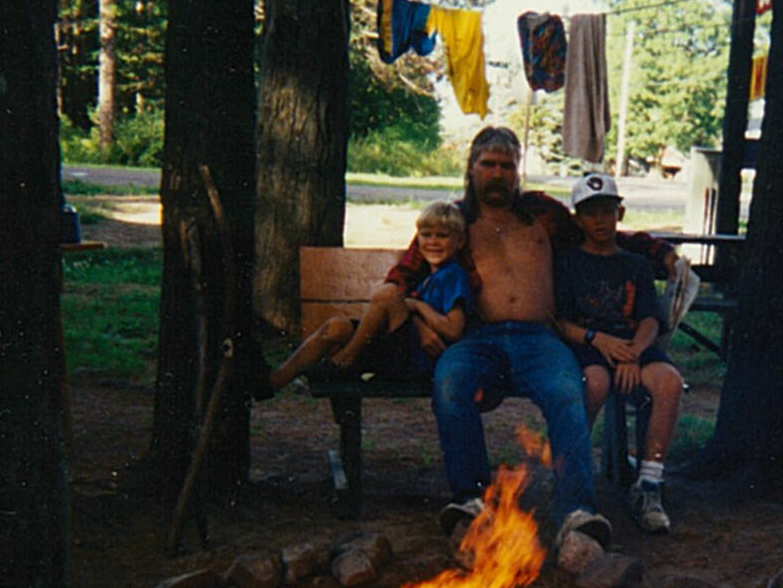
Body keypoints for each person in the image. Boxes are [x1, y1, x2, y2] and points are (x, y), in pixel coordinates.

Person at [428, 126, 616, 549]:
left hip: (540, 339)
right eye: (489, 165)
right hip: (479, 338)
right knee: (450, 380)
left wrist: (662, 254)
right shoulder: (454, 220)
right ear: (471, 168)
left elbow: (599, 235)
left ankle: (577, 512)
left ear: (518, 171)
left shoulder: (542, 215)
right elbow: (411, 269)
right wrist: (411, 311)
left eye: (507, 166)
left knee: (568, 391)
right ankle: (472, 501)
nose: (498, 174)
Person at [554, 173, 682, 533]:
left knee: (669, 382)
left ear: (620, 214)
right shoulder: (567, 262)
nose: (600, 221)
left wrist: (635, 352)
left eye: (607, 212)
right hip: (589, 345)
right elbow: (560, 321)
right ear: (578, 219)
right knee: (594, 383)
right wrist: (597, 339)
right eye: (590, 213)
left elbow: (650, 319)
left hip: (632, 345)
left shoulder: (635, 264)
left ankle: (649, 484)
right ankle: (569, 475)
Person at [257, 201, 474, 397]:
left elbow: (454, 330)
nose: (433, 242)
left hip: (418, 360)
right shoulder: (426, 275)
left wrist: (417, 306)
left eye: (442, 236)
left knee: (387, 293)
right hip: (397, 348)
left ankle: (344, 361)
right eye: (426, 235)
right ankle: (273, 382)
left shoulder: (454, 275)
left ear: (460, 241)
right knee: (336, 328)